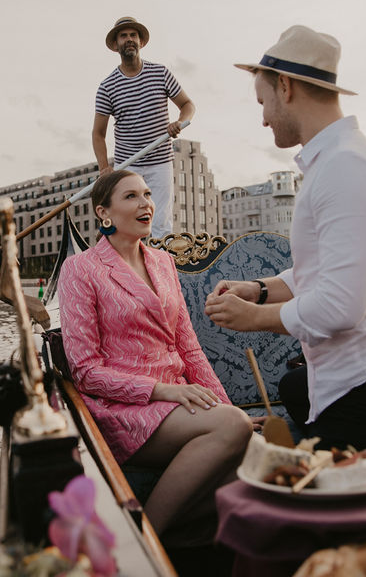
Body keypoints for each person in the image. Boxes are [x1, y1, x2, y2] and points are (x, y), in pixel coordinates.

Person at [204, 25, 366, 452]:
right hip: (364, 379)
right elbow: (324, 269)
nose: (263, 118)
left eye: (263, 102)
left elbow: (339, 304)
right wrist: (258, 290)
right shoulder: (336, 161)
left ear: (286, 87)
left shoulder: (345, 166)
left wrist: (251, 318)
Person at [58, 170, 251, 539]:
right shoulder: (80, 269)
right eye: (131, 196)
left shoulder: (163, 263)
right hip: (123, 407)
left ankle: (171, 534)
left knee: (254, 455)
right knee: (235, 429)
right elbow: (85, 371)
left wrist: (226, 407)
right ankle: (146, 540)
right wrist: (163, 392)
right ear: (104, 214)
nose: (146, 203)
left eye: (147, 194)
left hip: (178, 401)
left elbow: (188, 346)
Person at [92, 16, 195, 239]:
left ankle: (159, 268)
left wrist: (179, 121)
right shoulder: (107, 86)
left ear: (140, 42)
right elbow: (98, 133)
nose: (129, 39)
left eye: (133, 35)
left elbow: (188, 105)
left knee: (160, 224)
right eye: (123, 36)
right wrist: (104, 169)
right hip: (128, 165)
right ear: (116, 44)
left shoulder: (161, 73)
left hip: (160, 162)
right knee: (126, 222)